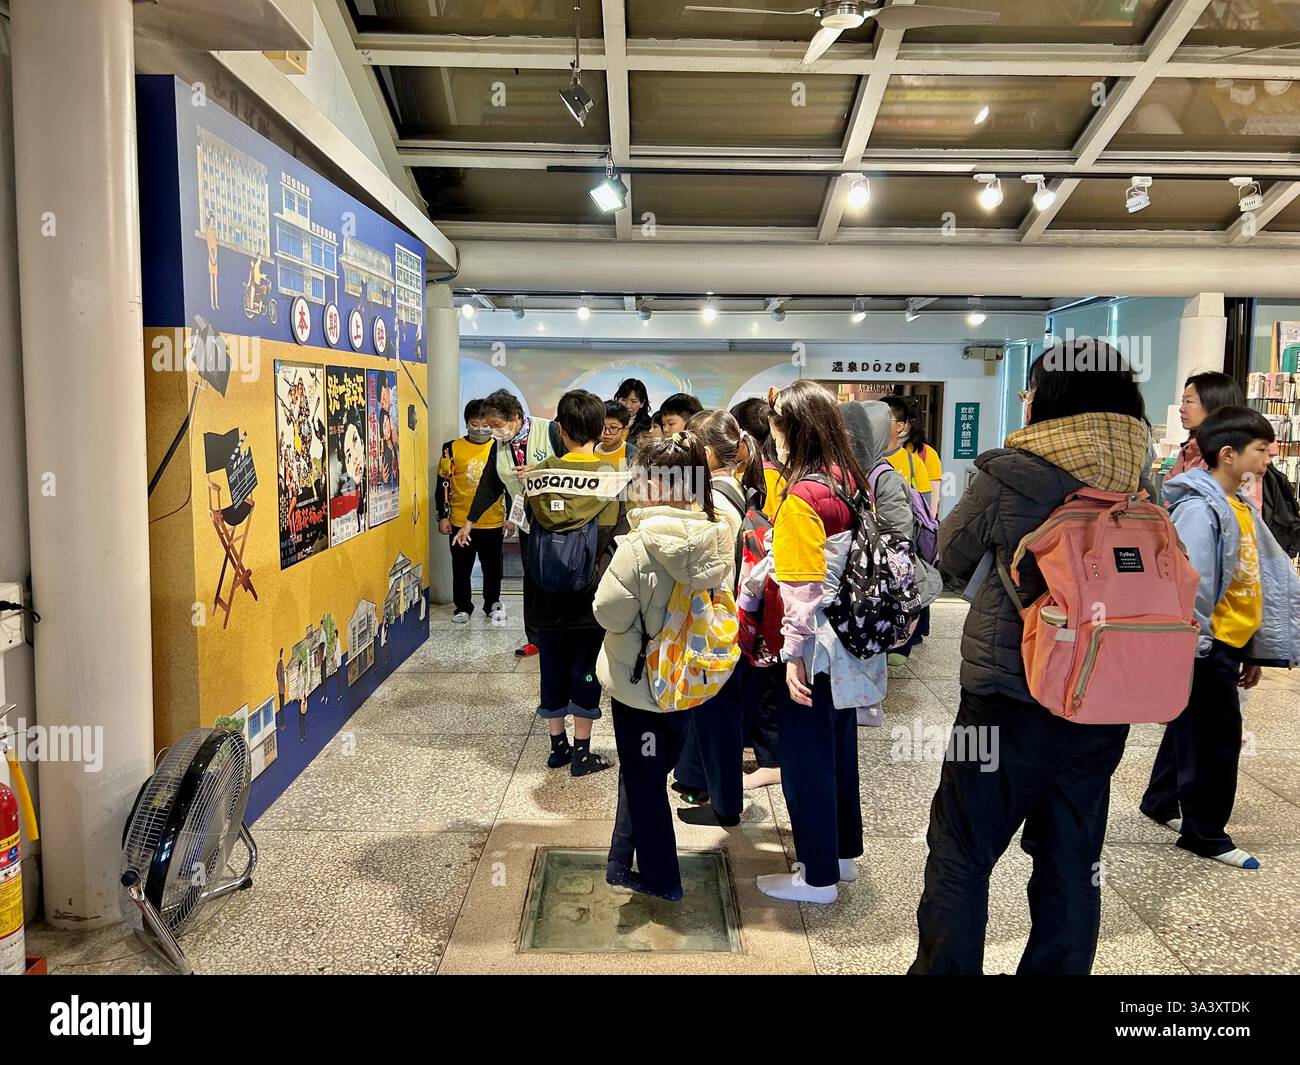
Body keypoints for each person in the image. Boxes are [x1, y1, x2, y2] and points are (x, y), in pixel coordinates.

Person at [910, 341, 1150, 975]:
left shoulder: (1012, 471)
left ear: (1050, 397)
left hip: (1006, 694)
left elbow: (949, 558)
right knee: (1073, 857)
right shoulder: (1140, 479)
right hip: (1104, 694)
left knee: (962, 847)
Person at [1141, 406, 1300, 870]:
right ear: (1228, 454)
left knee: (1191, 728)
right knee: (1216, 740)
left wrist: (1253, 648)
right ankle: (1205, 833)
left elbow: (1248, 581)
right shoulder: (1199, 508)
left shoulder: (1237, 505)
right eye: (1260, 449)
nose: (1269, 456)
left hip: (1227, 642)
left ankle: (1161, 800)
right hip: (1205, 645)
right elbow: (1196, 584)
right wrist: (1199, 646)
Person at [594, 431, 734, 900]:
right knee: (650, 768)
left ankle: (661, 879)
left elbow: (608, 612)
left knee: (644, 778)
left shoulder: (638, 545)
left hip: (641, 683)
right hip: (688, 676)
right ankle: (620, 857)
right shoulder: (717, 533)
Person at [757, 380, 876, 904]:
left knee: (806, 758)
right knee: (837, 748)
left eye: (777, 426)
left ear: (794, 430)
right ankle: (842, 856)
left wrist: (790, 657)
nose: (773, 436)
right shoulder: (849, 480)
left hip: (815, 645)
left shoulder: (802, 495)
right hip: (849, 642)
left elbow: (801, 587)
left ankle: (817, 878)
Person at [522, 390, 626, 776]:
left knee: (551, 665)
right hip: (590, 594)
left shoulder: (536, 478)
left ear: (560, 430)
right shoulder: (613, 481)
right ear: (601, 430)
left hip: (545, 592)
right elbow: (619, 540)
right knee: (585, 668)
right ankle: (582, 751)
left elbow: (526, 533)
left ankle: (557, 747)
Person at [668, 410, 762, 826]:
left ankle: (726, 806)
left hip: (717, 621)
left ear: (707, 451)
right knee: (717, 711)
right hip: (734, 618)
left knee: (717, 714)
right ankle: (700, 781)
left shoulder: (716, 501)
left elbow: (710, 567)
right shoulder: (738, 488)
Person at [458, 389, 566, 657]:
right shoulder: (500, 445)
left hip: (558, 520)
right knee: (533, 579)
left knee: (558, 577)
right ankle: (536, 638)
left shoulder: (551, 431)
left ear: (515, 418)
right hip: (529, 522)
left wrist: (542, 470)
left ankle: (562, 636)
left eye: (496, 425)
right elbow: (490, 484)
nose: (493, 432)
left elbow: (572, 465)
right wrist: (470, 522)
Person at [840, 399, 924, 724]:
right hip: (853, 579)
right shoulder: (850, 471)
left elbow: (899, 538)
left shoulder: (884, 478)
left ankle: (865, 706)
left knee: (866, 644)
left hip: (870, 580)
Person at [730, 396, 784, 786]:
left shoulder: (762, 474)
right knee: (765, 673)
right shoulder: (782, 470)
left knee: (757, 674)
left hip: (757, 584)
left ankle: (766, 755)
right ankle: (765, 751)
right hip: (769, 584)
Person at [438, 399, 505, 623]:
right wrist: (443, 516)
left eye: (484, 424)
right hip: (459, 521)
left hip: (493, 521)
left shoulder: (501, 447)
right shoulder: (451, 448)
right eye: (474, 423)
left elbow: (509, 483)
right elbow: (443, 484)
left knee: (493, 569)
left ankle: (492, 604)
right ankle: (462, 607)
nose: (480, 428)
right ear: (466, 423)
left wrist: (512, 519)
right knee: (461, 568)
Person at [1168, 372, 1262, 509]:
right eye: (1183, 402)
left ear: (1214, 404)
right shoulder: (1190, 449)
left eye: (1188, 402)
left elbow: (1247, 513)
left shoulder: (1240, 455)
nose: (1181, 409)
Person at [597, 399, 632, 467]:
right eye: (602, 426)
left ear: (624, 430)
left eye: (613, 427)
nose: (607, 432)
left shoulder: (632, 454)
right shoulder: (591, 450)